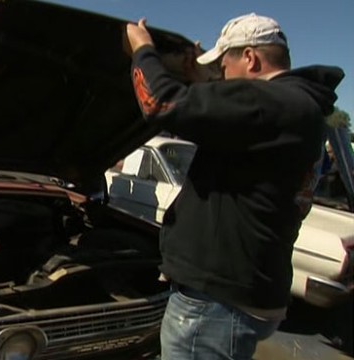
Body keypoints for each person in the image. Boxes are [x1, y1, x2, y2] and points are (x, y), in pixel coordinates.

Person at [125, 14, 343, 359]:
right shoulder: (296, 107)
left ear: (251, 59)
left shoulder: (270, 103)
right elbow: (225, 111)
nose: (221, 74)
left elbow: (162, 104)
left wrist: (143, 50)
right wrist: (201, 78)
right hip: (246, 289)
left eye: (224, 65)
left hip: (215, 305)